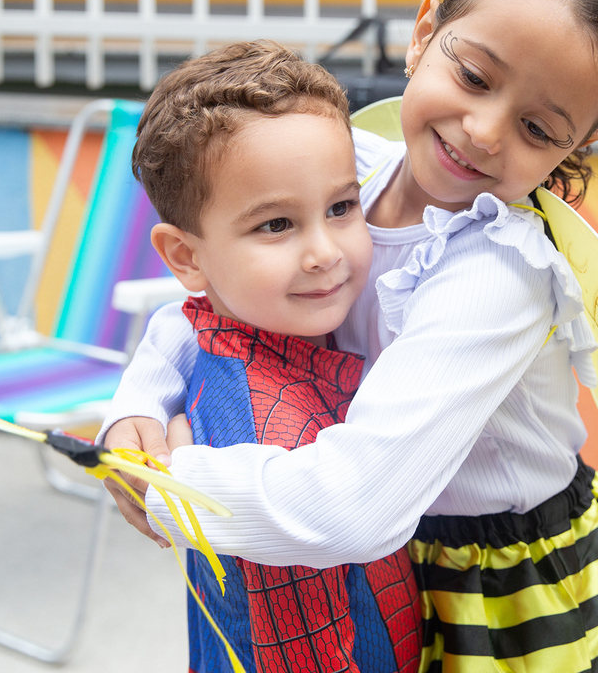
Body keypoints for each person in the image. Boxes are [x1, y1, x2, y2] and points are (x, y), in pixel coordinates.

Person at [104, 0, 598, 670]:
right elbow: (207, 304)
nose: (483, 132)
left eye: (537, 128)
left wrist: (176, 484)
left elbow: (358, 504)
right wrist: (137, 411)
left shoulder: (497, 274)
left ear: (575, 145)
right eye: (476, 78)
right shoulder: (348, 167)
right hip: (375, 547)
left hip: (499, 592)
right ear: (425, 33)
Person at [130, 39, 422, 673]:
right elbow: (301, 649)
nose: (324, 251)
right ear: (186, 257)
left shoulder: (282, 331)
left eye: (342, 208)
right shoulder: (263, 436)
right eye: (276, 225)